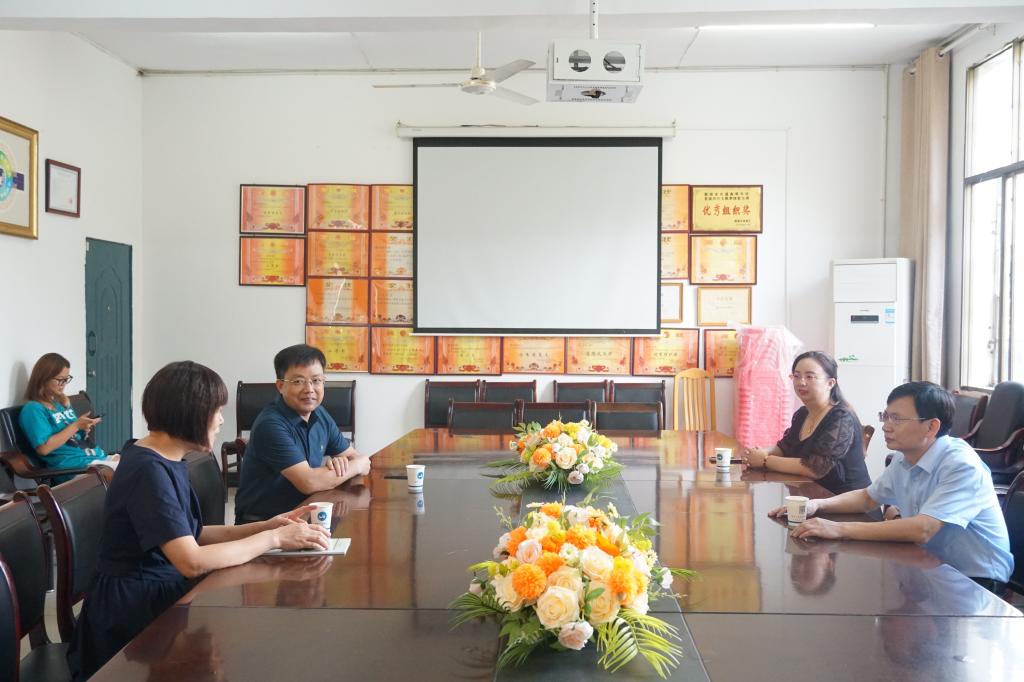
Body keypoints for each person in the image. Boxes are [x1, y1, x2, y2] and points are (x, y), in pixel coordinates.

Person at [68, 361, 330, 680]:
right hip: (134, 617)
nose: (221, 420)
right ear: (189, 413)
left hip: (159, 595)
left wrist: (268, 526)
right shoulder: (148, 470)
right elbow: (191, 561)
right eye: (216, 411)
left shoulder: (164, 457)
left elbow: (191, 534)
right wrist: (273, 540)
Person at [771, 381, 1013, 587]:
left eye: (896, 419)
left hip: (975, 580)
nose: (886, 426)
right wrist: (816, 505)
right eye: (885, 416)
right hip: (930, 567)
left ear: (931, 426)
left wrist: (839, 529)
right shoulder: (904, 457)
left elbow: (923, 529)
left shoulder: (962, 465)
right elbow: (867, 498)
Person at [234, 344, 371, 523]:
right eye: (298, 381)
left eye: (316, 380)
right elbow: (309, 482)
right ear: (280, 386)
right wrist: (356, 466)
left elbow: (355, 458)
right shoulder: (271, 424)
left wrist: (343, 464)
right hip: (264, 524)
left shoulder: (320, 414)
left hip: (304, 515)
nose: (309, 389)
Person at [743, 351, 872, 494]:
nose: (801, 382)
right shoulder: (803, 413)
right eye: (796, 376)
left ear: (830, 383)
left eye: (809, 377)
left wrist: (765, 461)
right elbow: (785, 447)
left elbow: (815, 468)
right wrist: (759, 453)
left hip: (847, 500)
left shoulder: (841, 417)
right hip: (812, 495)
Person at [18, 352, 117, 480]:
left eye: (66, 379)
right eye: (60, 379)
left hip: (94, 458)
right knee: (132, 471)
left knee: (136, 460)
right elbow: (44, 448)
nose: (64, 384)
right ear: (43, 378)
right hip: (75, 468)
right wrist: (76, 425)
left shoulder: (62, 403)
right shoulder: (33, 409)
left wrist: (84, 428)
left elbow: (72, 434)